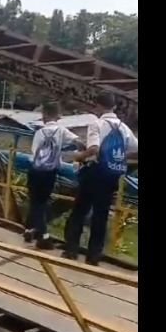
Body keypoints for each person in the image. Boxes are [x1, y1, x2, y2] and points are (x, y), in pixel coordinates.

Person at [63, 91, 138, 265]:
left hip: (94, 173)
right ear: (113, 106)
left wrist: (76, 157)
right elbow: (136, 147)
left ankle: (71, 250)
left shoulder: (97, 124)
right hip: (112, 175)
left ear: (97, 105)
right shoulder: (123, 127)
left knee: (79, 211)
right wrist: (121, 157)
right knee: (101, 215)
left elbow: (94, 149)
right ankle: (94, 257)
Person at [24, 102, 79, 250]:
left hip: (36, 171)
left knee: (36, 202)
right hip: (51, 172)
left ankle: (43, 236)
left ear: (45, 115)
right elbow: (78, 141)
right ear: (58, 115)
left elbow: (34, 154)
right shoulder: (62, 131)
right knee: (42, 201)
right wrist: (82, 156)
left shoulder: (39, 132)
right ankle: (28, 230)